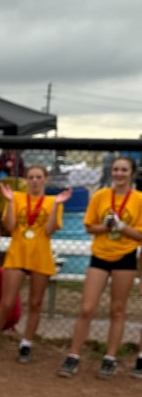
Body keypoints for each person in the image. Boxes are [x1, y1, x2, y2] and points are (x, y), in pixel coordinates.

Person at [57, 156, 142, 379]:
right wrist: (106, 227)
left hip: (125, 257)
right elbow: (89, 227)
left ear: (132, 173)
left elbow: (140, 235)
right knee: (86, 308)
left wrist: (122, 227)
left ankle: (110, 358)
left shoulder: (139, 199)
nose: (119, 174)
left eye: (124, 170)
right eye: (116, 169)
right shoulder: (101, 196)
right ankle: (73, 355)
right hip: (100, 256)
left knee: (117, 309)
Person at [0, 166, 71, 363]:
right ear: (26, 180)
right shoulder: (16, 197)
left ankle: (26, 344)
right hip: (18, 254)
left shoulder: (53, 201)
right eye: (31, 177)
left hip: (40, 255)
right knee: (6, 302)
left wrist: (57, 205)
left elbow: (49, 230)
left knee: (35, 303)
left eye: (39, 177)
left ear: (45, 180)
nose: (34, 181)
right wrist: (8, 201)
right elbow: (9, 226)